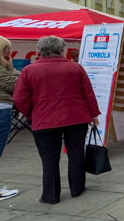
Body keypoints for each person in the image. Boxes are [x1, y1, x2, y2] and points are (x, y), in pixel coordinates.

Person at [13, 36, 100, 204]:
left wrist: (31, 113)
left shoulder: (29, 71)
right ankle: (77, 188)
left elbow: (19, 98)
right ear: (62, 50)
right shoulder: (75, 68)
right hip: (75, 117)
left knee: (49, 158)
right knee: (75, 154)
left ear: (40, 51)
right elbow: (88, 92)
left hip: (44, 119)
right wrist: (93, 113)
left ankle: (50, 195)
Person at [0, 36, 20, 201]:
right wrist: (11, 69)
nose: (8, 51)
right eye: (6, 48)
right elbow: (17, 84)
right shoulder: (1, 69)